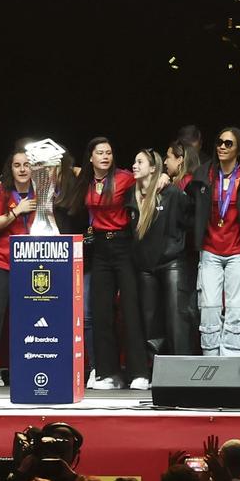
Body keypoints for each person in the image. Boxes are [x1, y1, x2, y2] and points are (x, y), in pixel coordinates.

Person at [83, 138, 147, 389]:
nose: (105, 156)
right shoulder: (84, 180)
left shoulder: (124, 177)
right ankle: (107, 373)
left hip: (123, 245)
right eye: (99, 152)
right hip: (99, 248)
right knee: (101, 312)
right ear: (90, 157)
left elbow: (147, 182)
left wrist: (161, 179)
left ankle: (139, 372)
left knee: (130, 310)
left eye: (109, 152)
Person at [196, 127, 240, 356]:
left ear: (238, 149)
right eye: (219, 142)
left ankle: (232, 366)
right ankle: (211, 363)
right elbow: (185, 194)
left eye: (228, 143)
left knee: (237, 309)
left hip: (238, 250)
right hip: (210, 250)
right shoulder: (205, 173)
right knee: (209, 308)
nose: (222, 147)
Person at [0, 147, 39, 387]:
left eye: (27, 164)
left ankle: (24, 367)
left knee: (27, 320)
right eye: (17, 165)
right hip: (1, 262)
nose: (23, 169)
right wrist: (17, 211)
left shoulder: (41, 192)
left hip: (32, 265)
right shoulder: (1, 191)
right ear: (10, 168)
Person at [136, 142, 197, 359]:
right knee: (151, 320)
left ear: (154, 168)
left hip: (172, 261)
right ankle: (156, 372)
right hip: (145, 266)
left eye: (139, 162)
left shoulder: (171, 192)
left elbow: (191, 218)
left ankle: (182, 369)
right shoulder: (130, 195)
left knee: (176, 318)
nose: (134, 166)